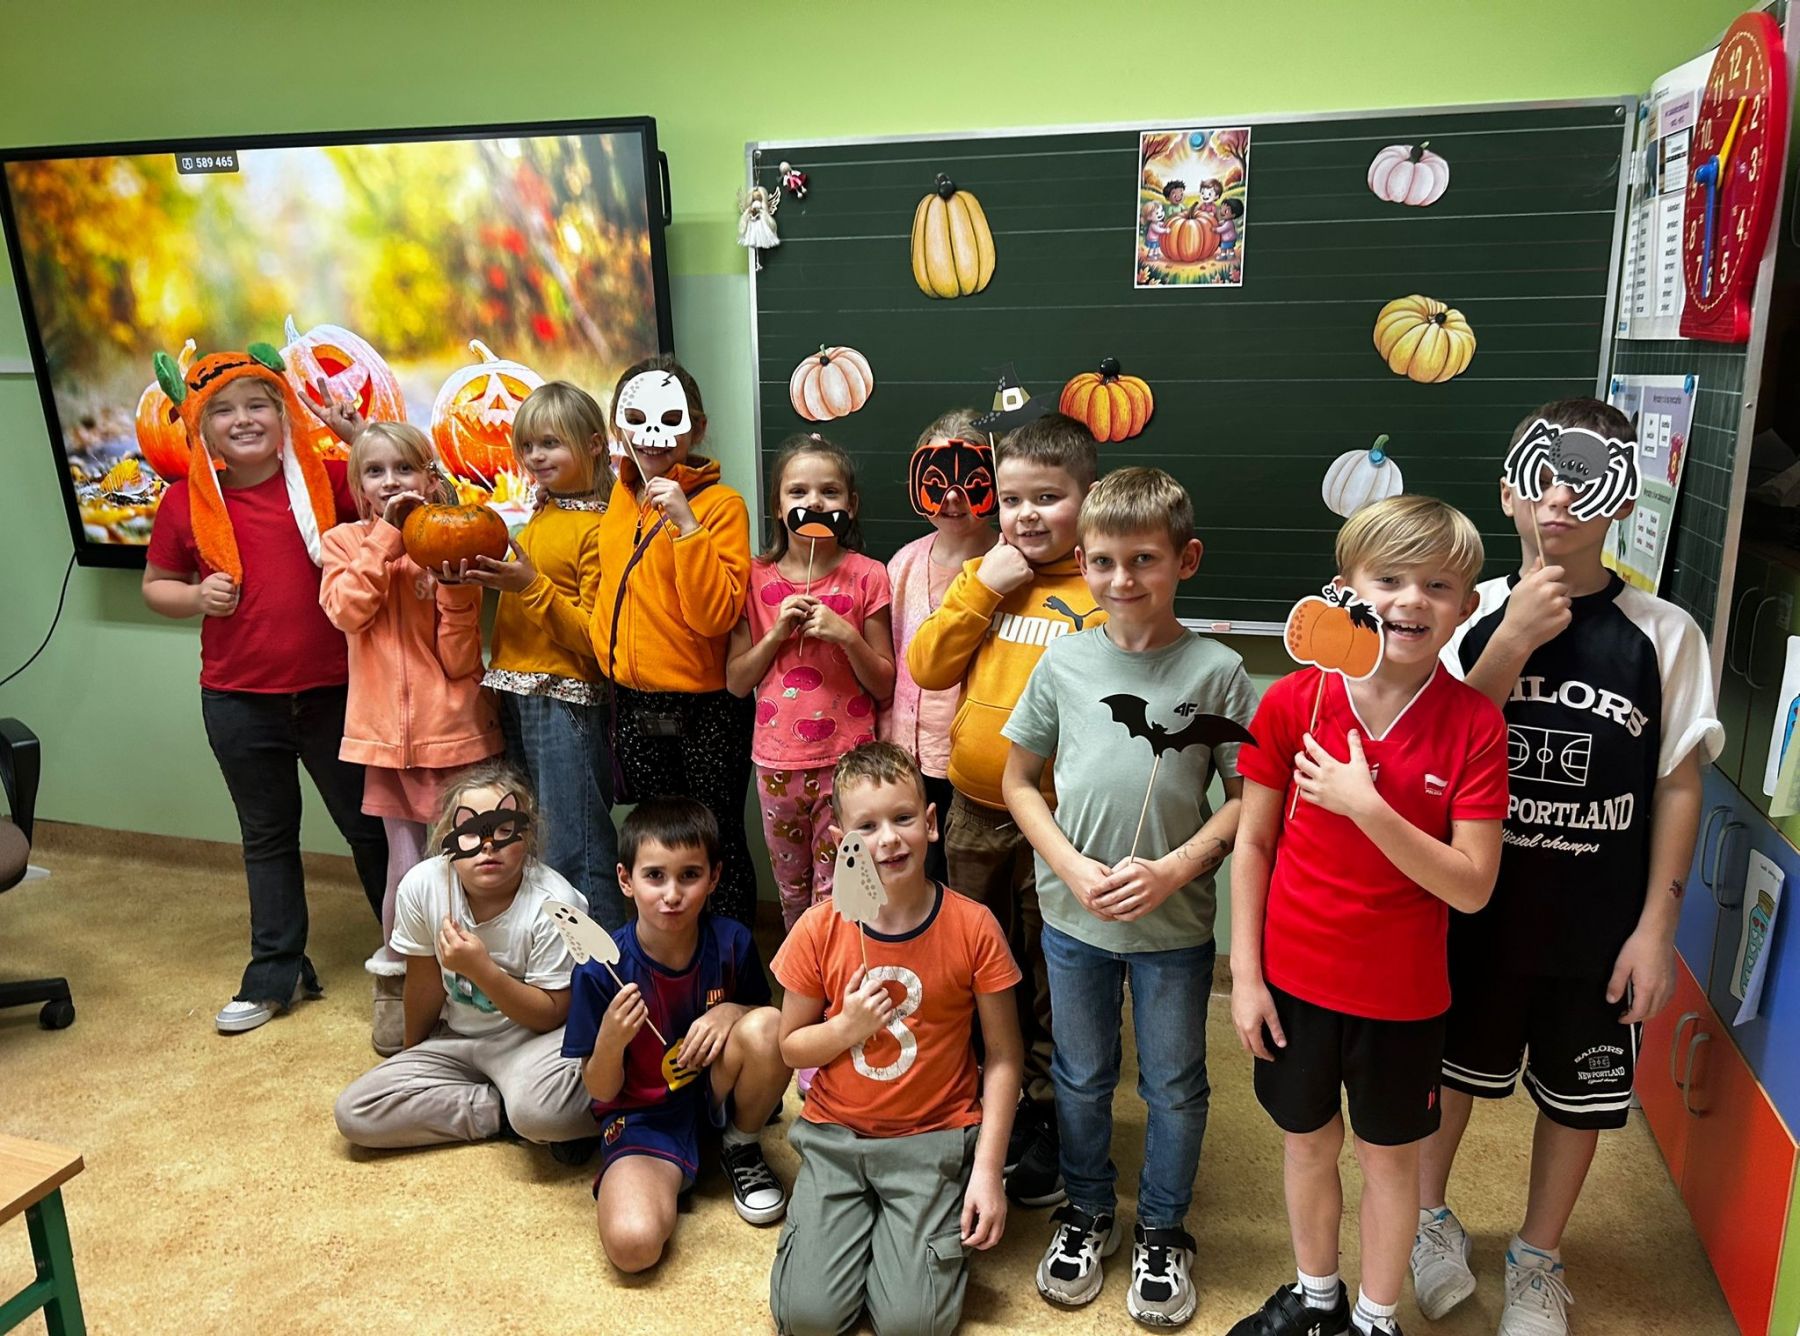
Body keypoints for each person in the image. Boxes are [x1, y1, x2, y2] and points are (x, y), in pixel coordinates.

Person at [1411, 400, 1722, 1336]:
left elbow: (1677, 785)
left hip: (1596, 924)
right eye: (1540, 476)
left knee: (1580, 1098)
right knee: (1447, 1080)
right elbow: (1432, 755)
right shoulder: (1460, 616)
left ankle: (1538, 1256)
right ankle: (1428, 1221)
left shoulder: (1665, 634)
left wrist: (1658, 929)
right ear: (1508, 491)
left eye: (1587, 479)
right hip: (1473, 915)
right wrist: (1510, 641)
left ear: (1622, 498)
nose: (1560, 499)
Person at [1227, 495, 1509, 1336]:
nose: (1412, 599)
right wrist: (1246, 975)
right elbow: (1254, 844)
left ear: (1466, 606)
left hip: (1401, 998)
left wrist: (1366, 806)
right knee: (1307, 1142)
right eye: (1389, 579)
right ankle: (1318, 1299)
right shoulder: (1294, 701)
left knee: (1390, 1163)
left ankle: (1377, 1320)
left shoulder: (1474, 725)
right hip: (1293, 981)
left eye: (1438, 585)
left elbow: (1472, 886)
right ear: (1345, 588)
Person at [1003, 467, 1257, 1327]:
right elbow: (1019, 783)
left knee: (1175, 1085)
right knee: (1080, 1076)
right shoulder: (1066, 662)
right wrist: (1073, 867)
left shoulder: (1218, 672)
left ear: (1186, 559)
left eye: (1144, 559)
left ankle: (1162, 1226)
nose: (1123, 579)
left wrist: (1175, 869)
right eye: (1105, 561)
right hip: (1073, 918)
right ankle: (1086, 1210)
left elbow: (1249, 800)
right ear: (1082, 563)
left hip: (1173, 926)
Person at [141, 343, 387, 1035]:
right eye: (224, 411)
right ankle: (277, 970)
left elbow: (401, 490)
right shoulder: (185, 503)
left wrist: (357, 437)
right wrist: (195, 597)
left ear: (284, 416)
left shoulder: (328, 483)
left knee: (369, 827)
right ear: (201, 427)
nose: (244, 419)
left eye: (258, 405)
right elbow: (156, 586)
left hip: (336, 693)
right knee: (268, 837)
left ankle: (417, 960)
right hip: (238, 699)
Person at [906, 410, 1101, 1207]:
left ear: (1089, 500)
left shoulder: (1103, 585)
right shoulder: (987, 574)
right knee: (979, 962)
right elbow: (927, 665)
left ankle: (1049, 1112)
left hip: (1060, 823)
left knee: (1052, 973)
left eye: (1048, 498)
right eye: (1013, 499)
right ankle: (992, 1096)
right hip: (974, 812)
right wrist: (983, 587)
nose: (1026, 515)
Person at [769, 742, 1021, 1336]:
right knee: (807, 1319)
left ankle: (909, 1239)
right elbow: (790, 1047)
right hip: (836, 1138)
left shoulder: (973, 927)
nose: (888, 839)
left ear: (930, 823)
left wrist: (987, 1171)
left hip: (932, 1140)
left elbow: (1004, 1057)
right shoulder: (819, 928)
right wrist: (846, 1028)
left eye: (903, 818)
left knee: (912, 1325)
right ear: (841, 840)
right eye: (867, 826)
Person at [320, 421, 503, 1055]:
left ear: (429, 478)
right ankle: (396, 985)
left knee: (470, 864)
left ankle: (474, 987)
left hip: (456, 734)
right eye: (375, 471)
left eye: (404, 468)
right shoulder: (344, 542)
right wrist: (386, 539)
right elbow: (347, 612)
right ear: (358, 485)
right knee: (405, 867)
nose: (390, 481)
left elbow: (459, 659)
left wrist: (452, 587)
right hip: (385, 744)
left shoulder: (449, 540)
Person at [563, 796, 792, 1272]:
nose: (672, 894)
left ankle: (740, 1144)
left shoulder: (732, 941)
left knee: (770, 1025)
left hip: (717, 1095)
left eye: (689, 875)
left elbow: (765, 1021)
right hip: (642, 1121)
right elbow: (600, 1090)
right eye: (655, 876)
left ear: (714, 877)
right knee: (632, 1246)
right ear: (625, 880)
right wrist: (611, 1038)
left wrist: (731, 1011)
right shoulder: (598, 971)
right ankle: (670, 1169)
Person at [332, 762, 598, 1152]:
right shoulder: (423, 886)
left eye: (504, 830)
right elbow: (423, 982)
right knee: (355, 1112)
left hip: (535, 1041)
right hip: (458, 1038)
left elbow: (552, 1014)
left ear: (527, 838)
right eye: (470, 832)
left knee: (546, 1111)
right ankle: (499, 1113)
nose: (488, 845)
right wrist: (412, 1058)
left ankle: (528, 1115)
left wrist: (481, 969)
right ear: (447, 840)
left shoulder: (556, 903)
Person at [590, 355, 758, 925]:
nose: (652, 434)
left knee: (713, 840)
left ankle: (730, 961)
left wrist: (688, 526)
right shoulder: (618, 498)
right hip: (634, 702)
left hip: (705, 708)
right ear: (618, 426)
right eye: (635, 418)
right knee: (658, 842)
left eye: (669, 418)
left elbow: (715, 617)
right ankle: (672, 956)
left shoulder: (722, 506)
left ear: (697, 427)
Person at [464, 382, 622, 926]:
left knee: (576, 842)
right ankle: (557, 953)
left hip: (565, 701)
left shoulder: (601, 528)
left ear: (594, 444)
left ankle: (604, 961)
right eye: (527, 446)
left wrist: (529, 584)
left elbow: (595, 639)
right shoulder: (544, 513)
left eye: (550, 443)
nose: (535, 457)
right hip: (517, 694)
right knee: (533, 837)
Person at [727, 432, 894, 929]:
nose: (815, 502)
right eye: (798, 492)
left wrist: (848, 637)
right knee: (792, 890)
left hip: (848, 761)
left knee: (840, 889)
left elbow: (884, 682)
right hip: (777, 762)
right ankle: (803, 969)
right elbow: (736, 681)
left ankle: (837, 971)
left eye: (830, 492)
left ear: (851, 505)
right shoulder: (753, 578)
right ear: (778, 508)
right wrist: (777, 633)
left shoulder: (869, 576)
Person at [881, 408, 999, 884]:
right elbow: (891, 658)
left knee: (970, 879)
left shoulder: (1009, 564)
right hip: (910, 758)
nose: (952, 497)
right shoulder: (903, 566)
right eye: (936, 483)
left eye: (969, 482)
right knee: (919, 874)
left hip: (978, 763)